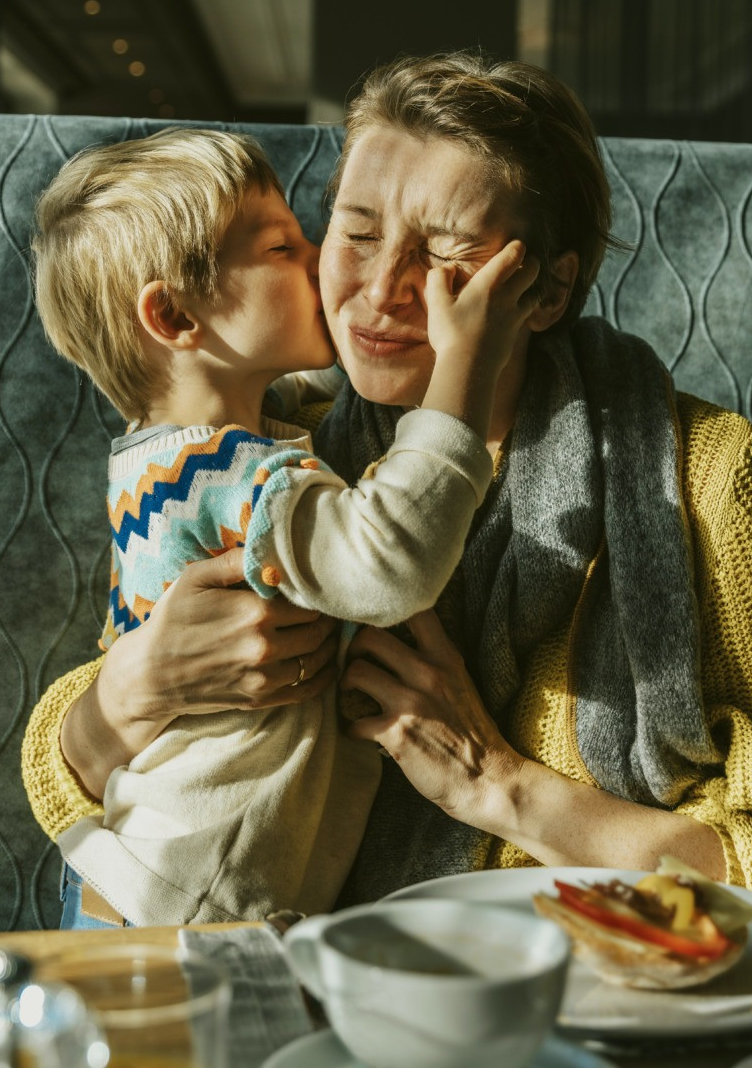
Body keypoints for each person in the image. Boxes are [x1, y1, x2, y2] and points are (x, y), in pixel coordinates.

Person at [23, 55, 752, 909]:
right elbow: (76, 778)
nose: (382, 290)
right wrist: (138, 688)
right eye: (358, 232)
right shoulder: (277, 439)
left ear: (547, 291)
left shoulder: (706, 476)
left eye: (447, 254)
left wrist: (499, 786)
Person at [27, 128, 539, 927]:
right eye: (279, 248)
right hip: (190, 904)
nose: (323, 264)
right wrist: (461, 374)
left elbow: (303, 387)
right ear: (171, 315)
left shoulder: (164, 457)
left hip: (145, 879)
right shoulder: (235, 476)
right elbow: (386, 561)